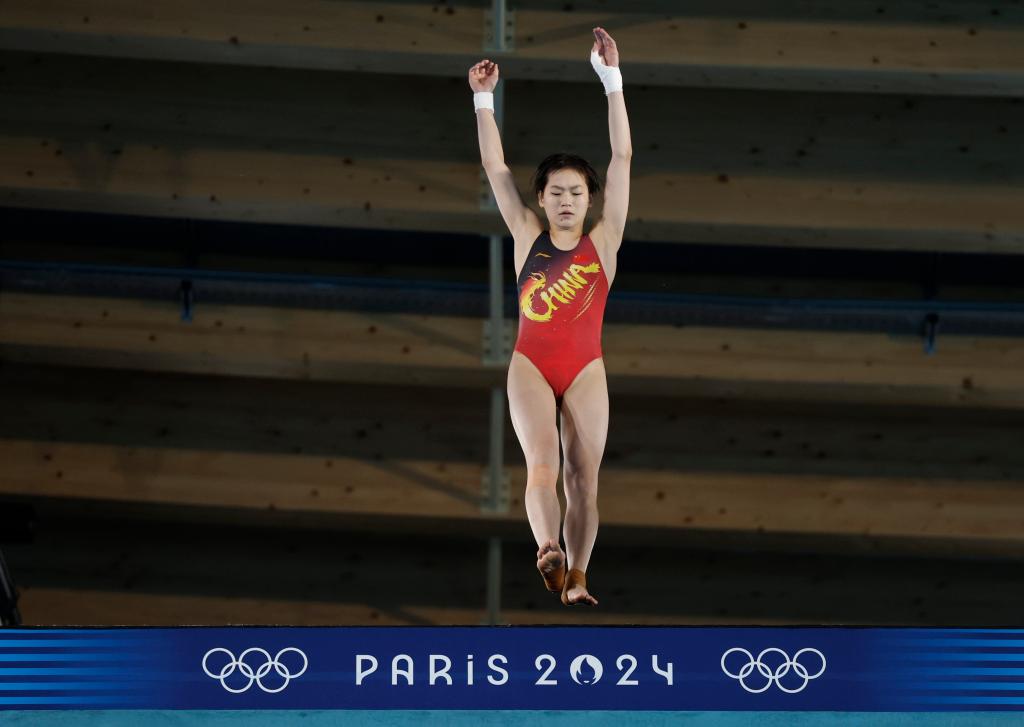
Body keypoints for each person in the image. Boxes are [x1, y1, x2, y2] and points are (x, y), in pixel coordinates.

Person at [469, 27, 632, 606]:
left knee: (583, 479)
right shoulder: (526, 235)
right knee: (542, 465)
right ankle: (548, 550)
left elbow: (622, 157)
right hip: (531, 365)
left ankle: (578, 576)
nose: (566, 200)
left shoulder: (604, 241)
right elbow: (495, 167)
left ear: (590, 200)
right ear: (541, 198)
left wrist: (611, 79)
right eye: (556, 192)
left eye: (576, 193)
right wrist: (483, 99)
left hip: (586, 367)